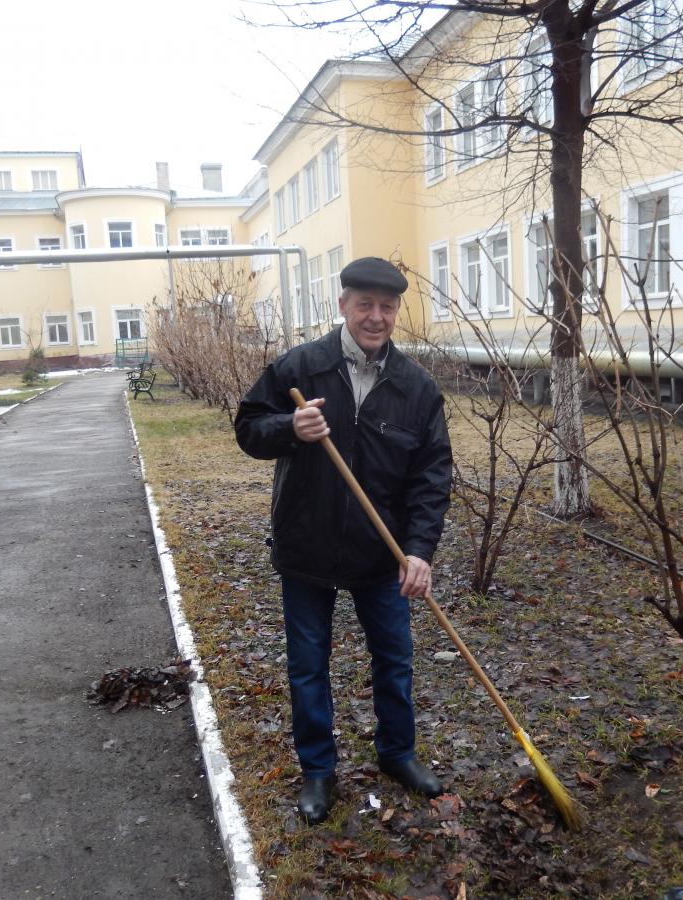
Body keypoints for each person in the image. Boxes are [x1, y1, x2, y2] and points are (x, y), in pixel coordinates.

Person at [234, 256, 453, 825]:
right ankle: (318, 770)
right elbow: (248, 429)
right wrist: (290, 429)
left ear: (396, 311)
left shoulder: (416, 387)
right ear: (343, 306)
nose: (375, 318)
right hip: (307, 548)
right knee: (308, 663)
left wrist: (420, 551)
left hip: (382, 555)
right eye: (365, 305)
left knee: (395, 660)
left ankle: (398, 755)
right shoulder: (299, 368)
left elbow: (433, 477)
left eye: (386, 307)